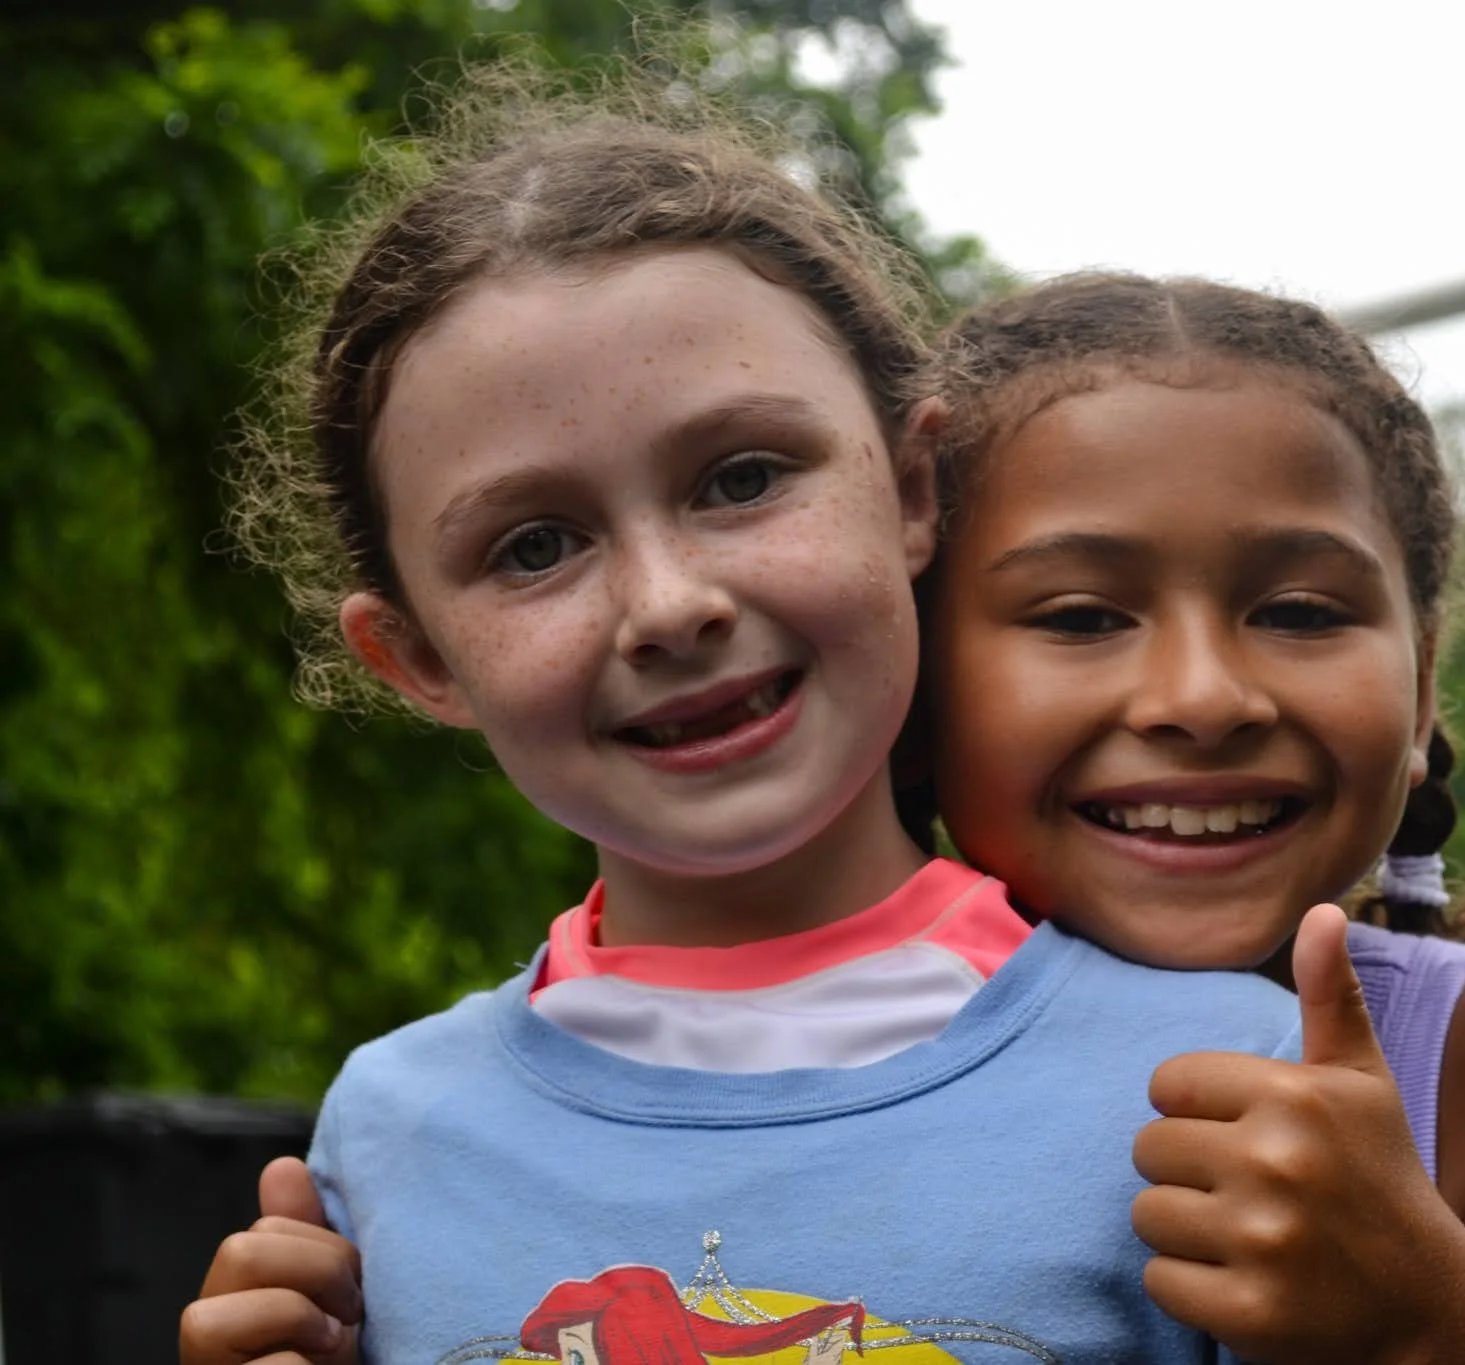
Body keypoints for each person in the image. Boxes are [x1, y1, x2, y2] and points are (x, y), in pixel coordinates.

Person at [177, 54, 1313, 1365]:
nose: (668, 605)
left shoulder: (1227, 1084)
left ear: (908, 488)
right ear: (417, 658)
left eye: (741, 478)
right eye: (535, 547)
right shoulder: (384, 1139)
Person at [906, 272, 1465, 1364]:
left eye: (1300, 612)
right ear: (911, 673)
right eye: (1080, 616)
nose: (1203, 698)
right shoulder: (813, 1043)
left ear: (1422, 690)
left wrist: (1425, 1321)